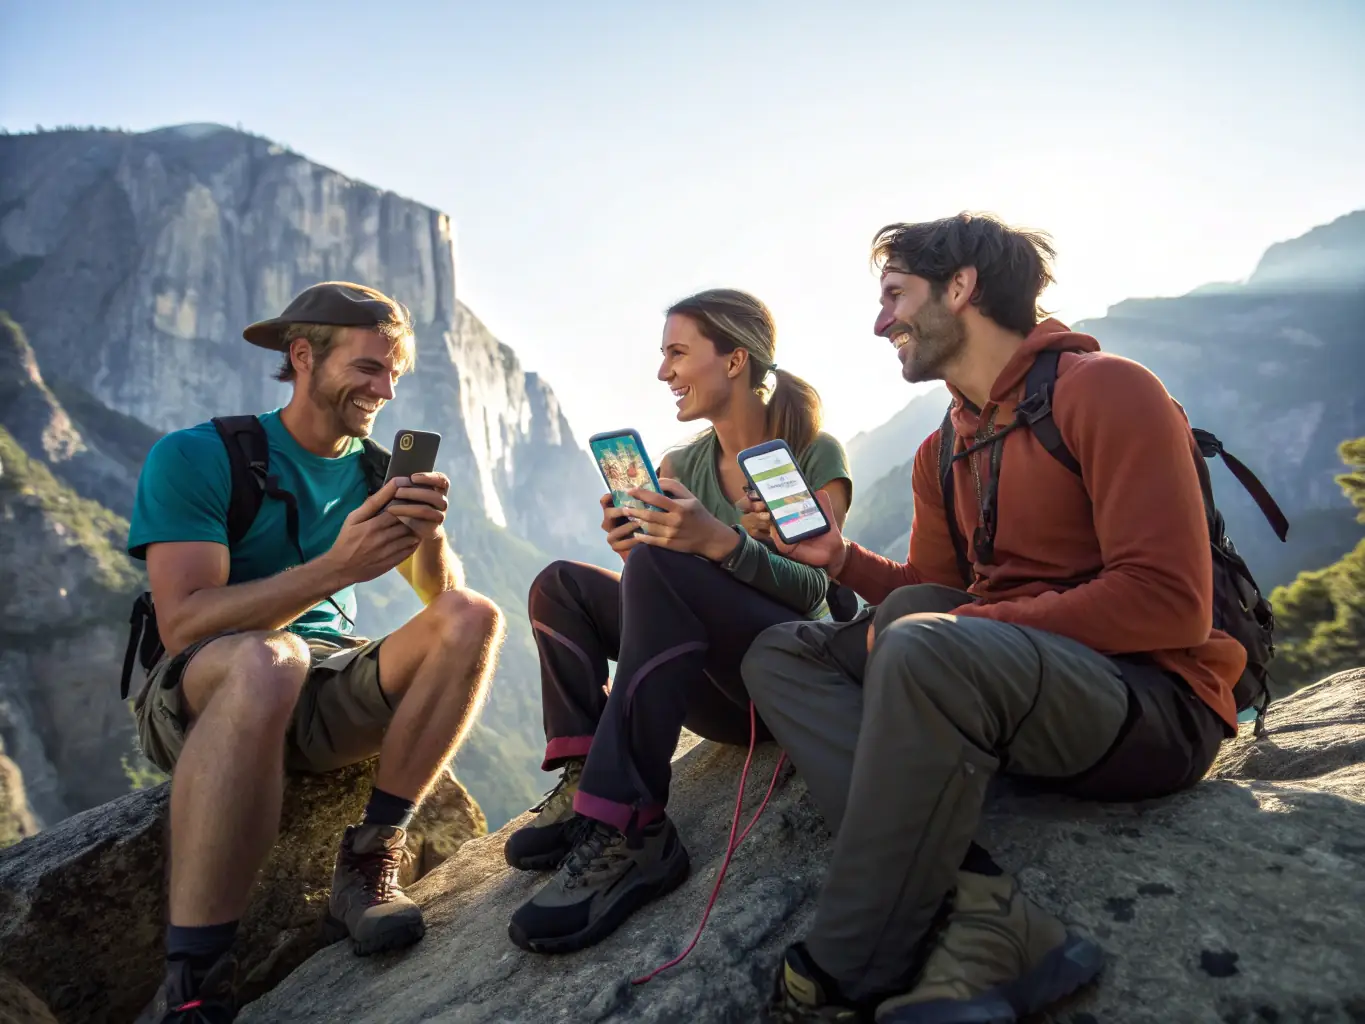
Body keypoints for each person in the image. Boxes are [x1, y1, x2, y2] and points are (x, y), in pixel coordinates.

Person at [744, 214, 1239, 1023]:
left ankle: (844, 965)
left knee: (921, 641)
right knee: (781, 653)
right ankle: (978, 898)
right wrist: (839, 559)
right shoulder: (942, 449)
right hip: (1011, 685)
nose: (880, 322)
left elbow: (1168, 601)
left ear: (961, 287)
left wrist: (979, 626)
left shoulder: (1106, 389)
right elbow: (932, 592)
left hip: (1151, 704)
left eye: (895, 296)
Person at [126, 282, 506, 1023]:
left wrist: (427, 536)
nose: (384, 390)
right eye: (367, 368)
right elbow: (185, 624)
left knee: (473, 616)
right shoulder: (198, 456)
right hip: (210, 682)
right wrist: (336, 569)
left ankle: (370, 858)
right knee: (270, 660)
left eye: (394, 372)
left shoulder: (375, 471)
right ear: (303, 356)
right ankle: (195, 985)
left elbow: (440, 599)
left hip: (324, 677)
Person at [503, 288, 854, 954]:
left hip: (778, 686)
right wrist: (635, 553)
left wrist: (720, 544)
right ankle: (584, 784)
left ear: (734, 361)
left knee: (662, 564)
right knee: (560, 584)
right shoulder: (678, 466)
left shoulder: (810, 453)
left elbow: (817, 584)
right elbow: (664, 590)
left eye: (677, 353)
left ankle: (633, 829)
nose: (663, 371)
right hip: (705, 684)